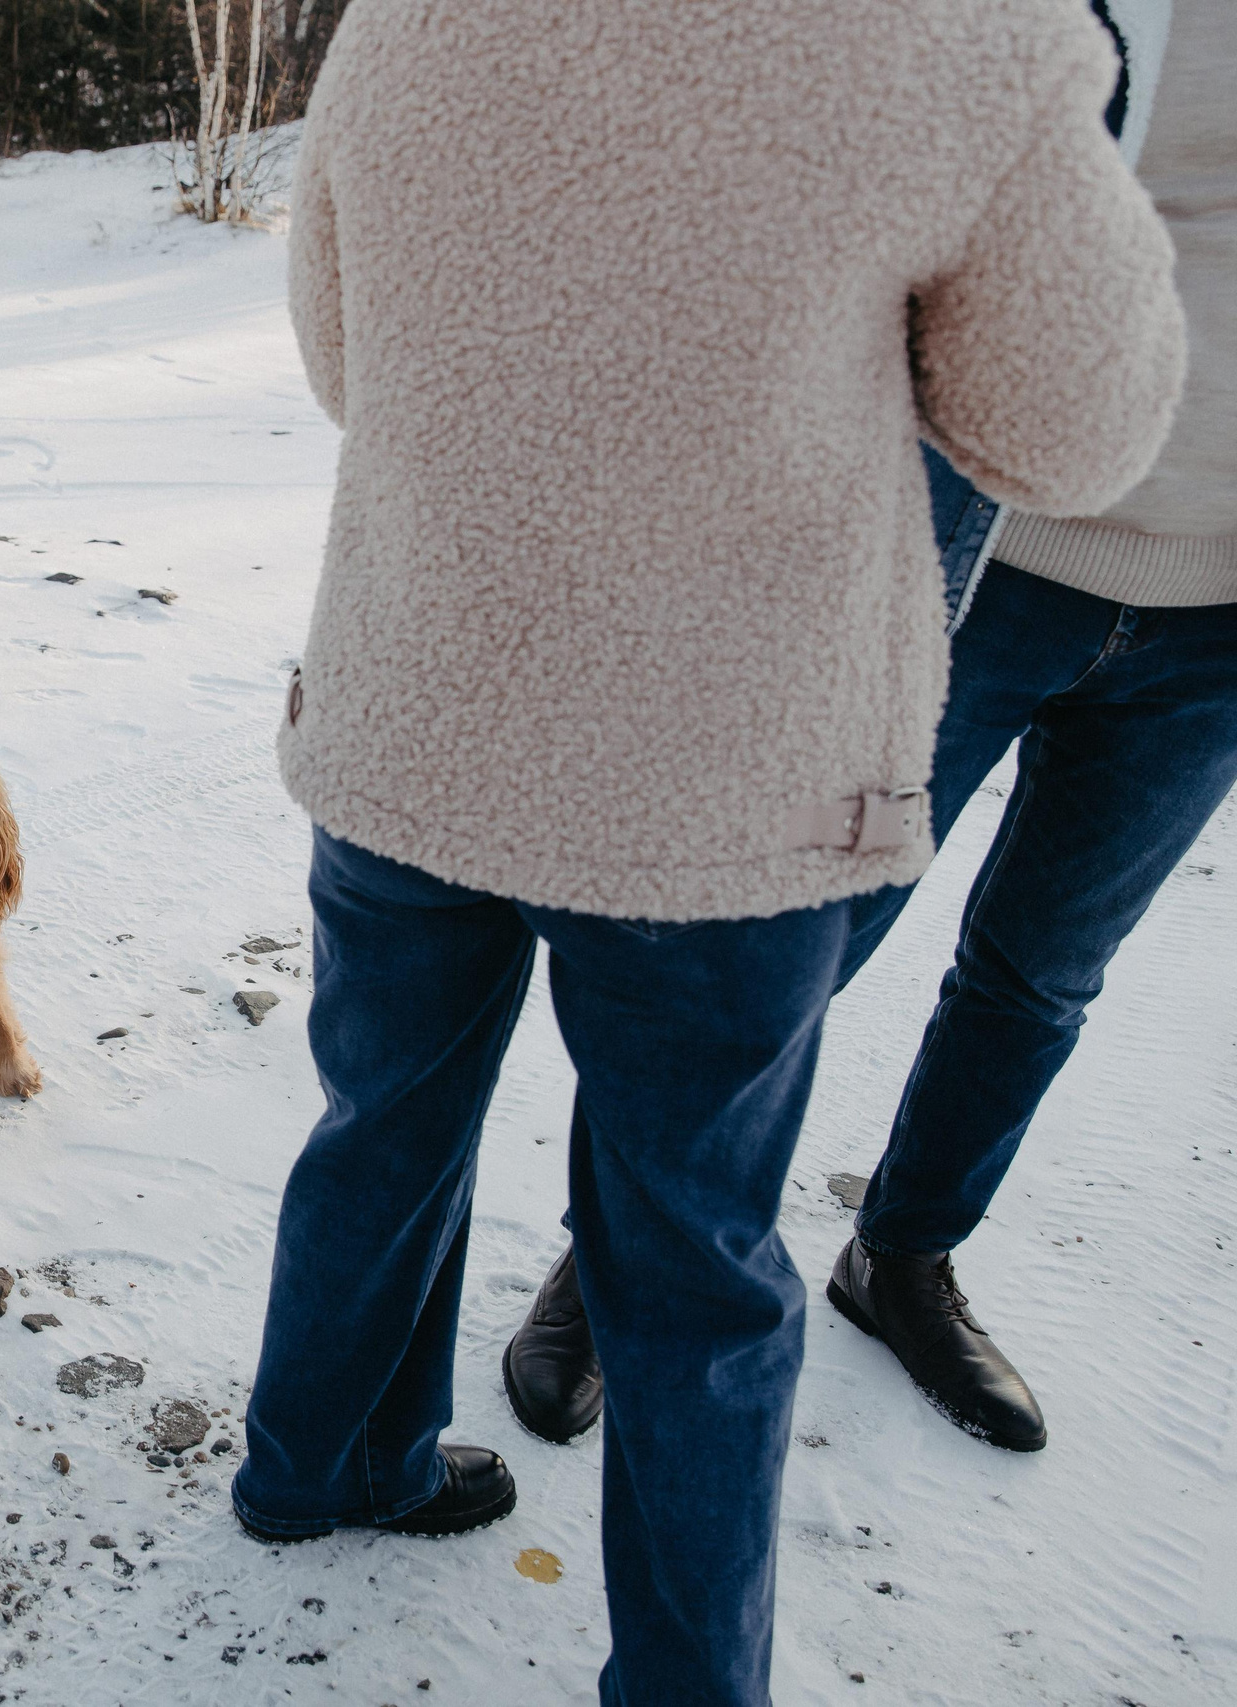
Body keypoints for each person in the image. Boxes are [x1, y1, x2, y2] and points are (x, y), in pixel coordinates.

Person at [235, 2, 1184, 1702]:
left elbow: (340, 354)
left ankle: (316, 1465)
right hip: (720, 775)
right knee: (689, 1258)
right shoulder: (984, 38)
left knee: (377, 1123)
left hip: (416, 699)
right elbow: (1074, 438)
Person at [504, 0, 1233, 1461]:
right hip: (969, 554)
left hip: (1214, 611)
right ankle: (623, 1251)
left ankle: (902, 1257)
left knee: (1045, 974)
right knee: (778, 945)